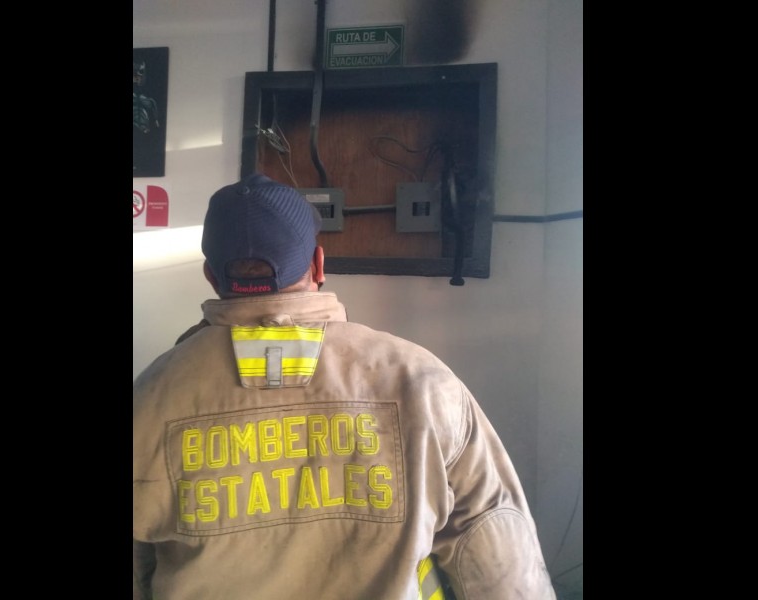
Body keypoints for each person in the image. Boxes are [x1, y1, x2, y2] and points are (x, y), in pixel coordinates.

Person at [133, 173, 556, 600]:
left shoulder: (149, 398)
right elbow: (499, 558)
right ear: (318, 264)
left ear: (210, 275)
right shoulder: (420, 381)